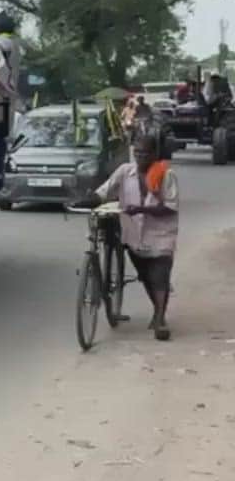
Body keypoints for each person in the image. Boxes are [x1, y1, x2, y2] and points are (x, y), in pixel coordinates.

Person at [79, 128, 180, 341]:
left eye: (145, 153)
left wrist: (142, 210)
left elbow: (171, 207)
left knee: (159, 275)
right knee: (146, 276)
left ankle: (160, 319)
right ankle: (158, 309)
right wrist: (88, 200)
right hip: (134, 234)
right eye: (137, 153)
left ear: (154, 154)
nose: (141, 157)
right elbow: (105, 191)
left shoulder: (166, 175)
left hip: (160, 233)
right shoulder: (125, 171)